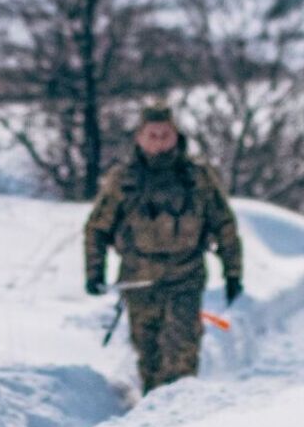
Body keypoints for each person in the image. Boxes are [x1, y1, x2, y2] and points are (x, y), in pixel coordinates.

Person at [84, 105, 244, 393]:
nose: (159, 141)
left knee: (181, 354)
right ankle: (153, 420)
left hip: (185, 276)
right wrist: (94, 272)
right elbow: (97, 227)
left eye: (165, 134)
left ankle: (177, 420)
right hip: (139, 280)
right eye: (152, 135)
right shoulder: (123, 180)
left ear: (176, 136)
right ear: (139, 138)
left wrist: (233, 272)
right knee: (149, 357)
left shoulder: (197, 177)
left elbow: (224, 224)